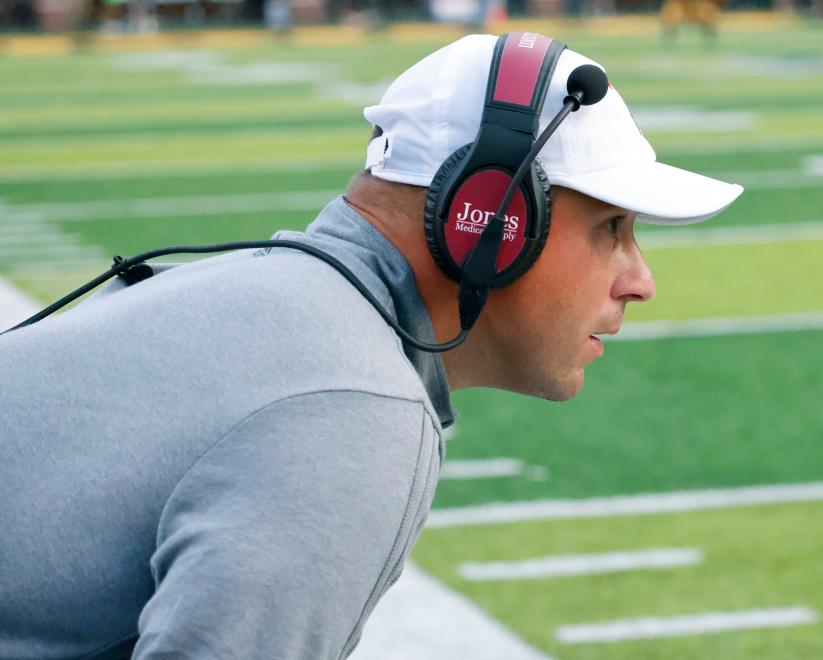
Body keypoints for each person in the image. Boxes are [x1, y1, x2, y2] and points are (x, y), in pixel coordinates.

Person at [0, 33, 742, 659]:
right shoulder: (353, 409)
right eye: (612, 229)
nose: (639, 280)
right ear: (489, 220)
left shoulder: (280, 302)